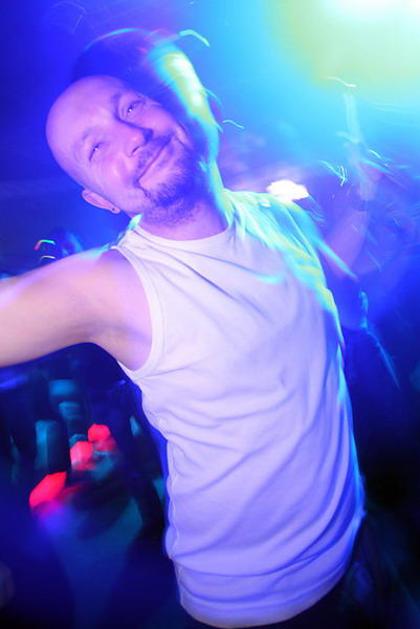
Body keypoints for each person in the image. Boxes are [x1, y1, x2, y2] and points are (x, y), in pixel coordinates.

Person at [0, 29, 366, 628]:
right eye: (97, 147)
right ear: (101, 200)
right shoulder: (116, 284)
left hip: (353, 543)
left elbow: (336, 290)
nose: (132, 137)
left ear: (166, 109)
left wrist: (364, 204)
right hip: (261, 604)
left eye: (130, 108)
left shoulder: (279, 217)